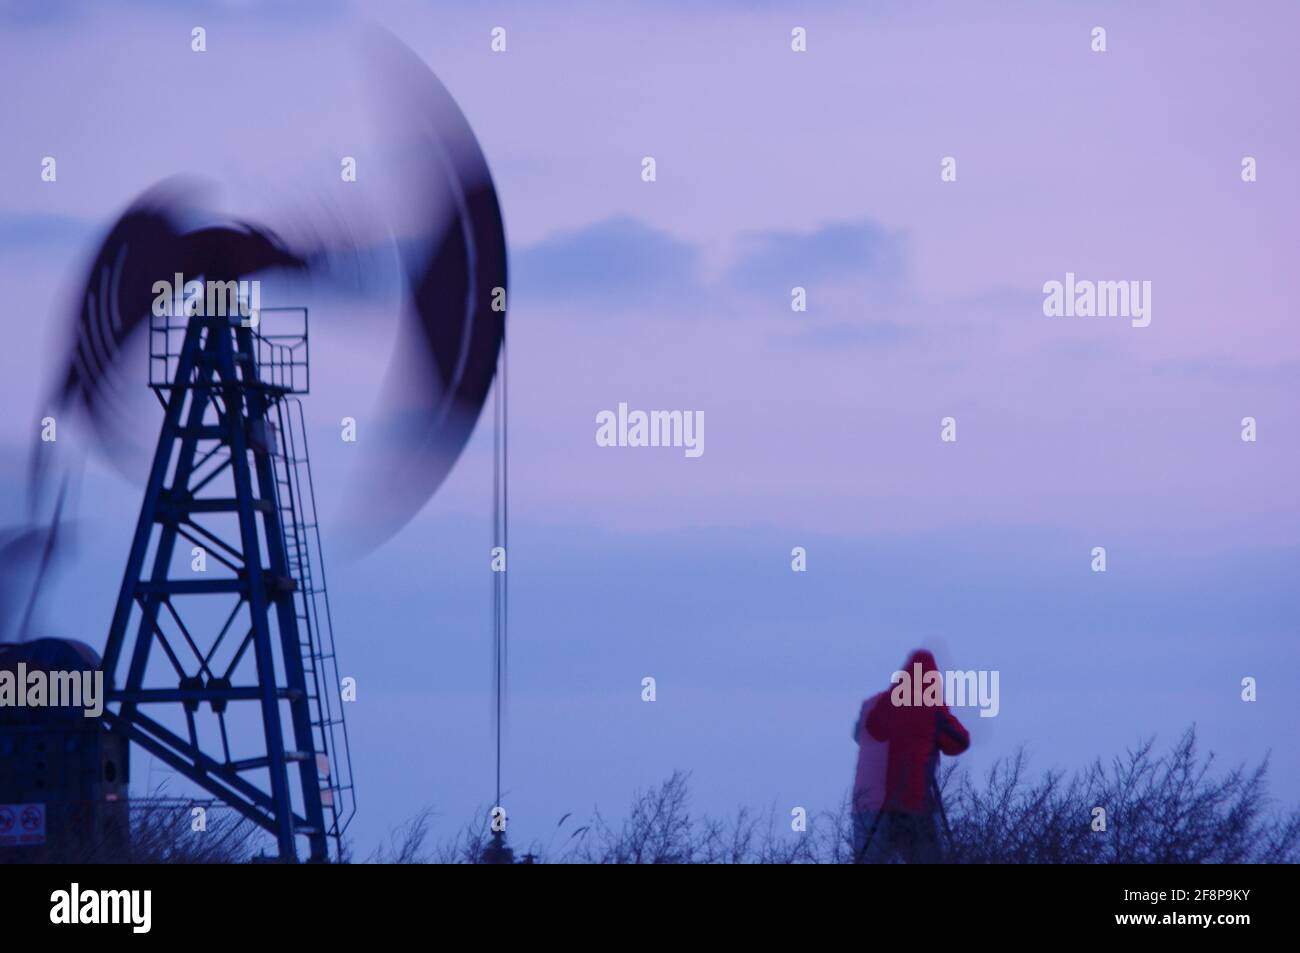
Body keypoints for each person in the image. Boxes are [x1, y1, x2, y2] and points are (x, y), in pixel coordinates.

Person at [851, 649, 970, 863]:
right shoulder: (932, 709)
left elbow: (869, 730)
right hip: (914, 802)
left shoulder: (882, 704)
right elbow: (960, 742)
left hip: (878, 802)